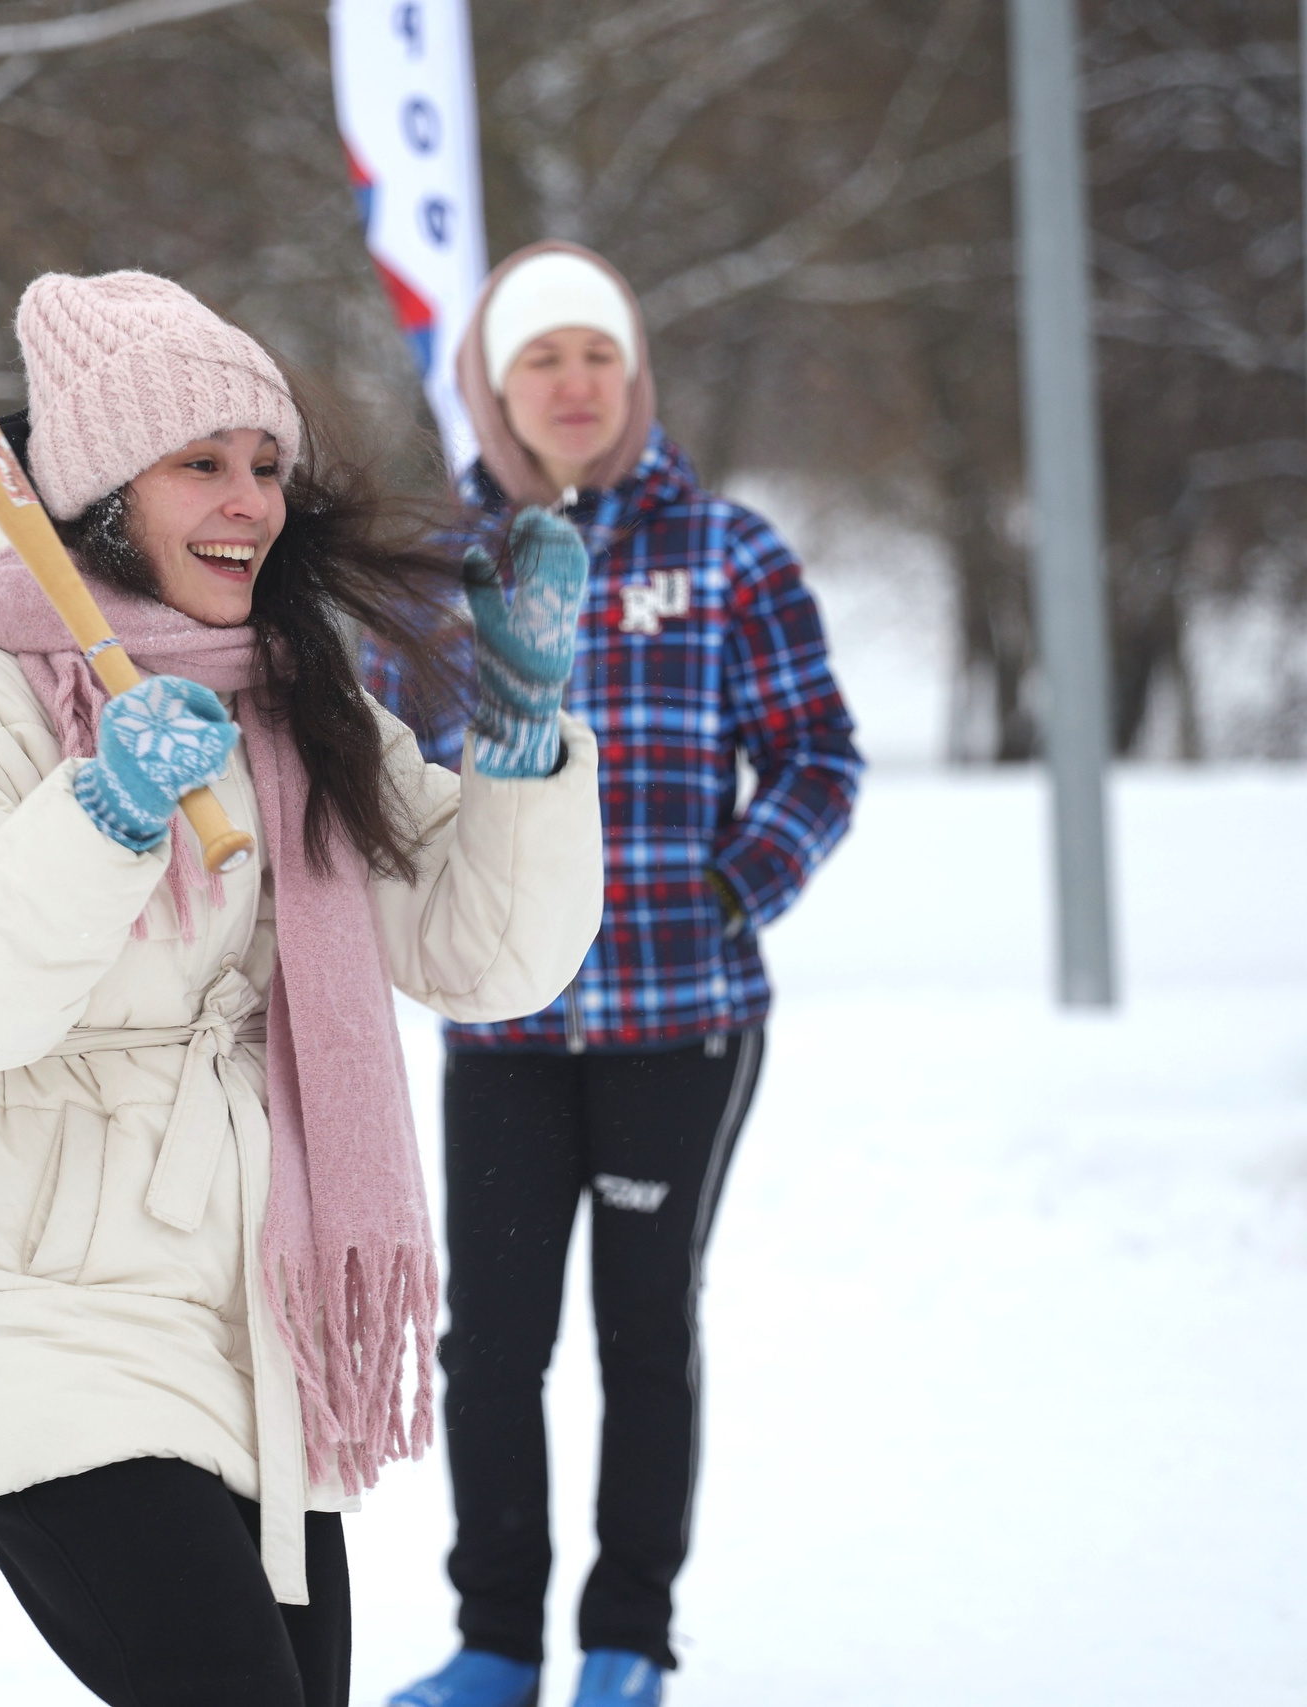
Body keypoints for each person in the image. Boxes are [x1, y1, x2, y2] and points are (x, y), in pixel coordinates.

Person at [0, 270, 609, 1707]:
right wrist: (105, 815)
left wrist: (517, 739)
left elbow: (479, 953)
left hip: (258, 1316)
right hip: (39, 1301)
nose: (248, 499)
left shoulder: (299, 698)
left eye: (264, 464)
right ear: (100, 492)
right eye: (200, 463)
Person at [377, 244, 863, 1707]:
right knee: (495, 1349)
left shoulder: (727, 552)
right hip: (507, 1023)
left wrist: (732, 888)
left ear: (633, 375)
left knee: (646, 1329)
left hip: (680, 1020)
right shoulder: (440, 569)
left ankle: (626, 1641)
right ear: (498, 391)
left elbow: (820, 757)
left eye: (597, 355)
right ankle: (493, 1644)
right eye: (542, 361)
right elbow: (403, 778)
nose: (573, 384)